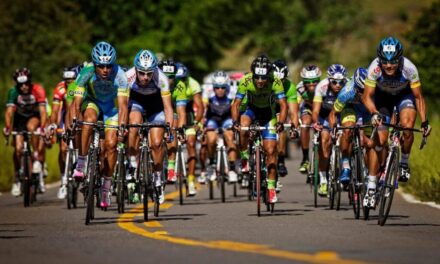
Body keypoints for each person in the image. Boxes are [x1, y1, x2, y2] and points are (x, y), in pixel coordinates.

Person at [362, 36, 431, 206]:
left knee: (407, 128)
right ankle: (371, 187)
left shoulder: (409, 68)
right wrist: (374, 113)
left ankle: (404, 163)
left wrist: (424, 122)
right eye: (385, 61)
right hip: (382, 99)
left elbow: (419, 97)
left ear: (400, 59)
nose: (389, 65)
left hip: (403, 97)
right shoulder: (374, 68)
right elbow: (367, 96)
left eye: (393, 61)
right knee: (380, 142)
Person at [71, 41, 129, 209]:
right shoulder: (86, 72)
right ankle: (81, 163)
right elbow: (76, 103)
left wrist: (122, 127)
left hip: (110, 109)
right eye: (101, 66)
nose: (105, 70)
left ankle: (106, 188)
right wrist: (75, 120)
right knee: (88, 119)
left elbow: (123, 106)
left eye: (108, 66)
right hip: (93, 103)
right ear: (94, 64)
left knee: (111, 146)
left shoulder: (120, 75)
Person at [231, 55, 288, 203]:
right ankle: (244, 157)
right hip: (251, 110)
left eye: (263, 77)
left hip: (268, 114)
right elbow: (236, 104)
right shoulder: (246, 80)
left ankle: (270, 189)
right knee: (243, 128)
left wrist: (281, 122)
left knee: (270, 151)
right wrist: (235, 122)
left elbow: (283, 105)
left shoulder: (275, 81)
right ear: (253, 74)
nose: (260, 81)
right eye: (257, 77)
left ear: (268, 75)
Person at [125, 50, 174, 204]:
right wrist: (122, 126)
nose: (145, 77)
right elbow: (122, 105)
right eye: (142, 73)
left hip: (156, 107)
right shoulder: (127, 77)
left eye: (149, 73)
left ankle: (158, 180)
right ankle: (132, 164)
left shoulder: (162, 78)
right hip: (136, 103)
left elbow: (168, 108)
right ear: (136, 70)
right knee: (133, 124)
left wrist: (169, 129)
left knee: (157, 143)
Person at [3, 68, 48, 196]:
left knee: (31, 128)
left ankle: (35, 157)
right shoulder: (13, 92)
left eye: (26, 83)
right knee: (17, 149)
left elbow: (43, 111)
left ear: (30, 82)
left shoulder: (37, 89)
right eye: (21, 84)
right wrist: (7, 126)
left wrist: (43, 126)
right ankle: (17, 178)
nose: (24, 87)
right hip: (19, 120)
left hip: (34, 117)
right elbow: (9, 112)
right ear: (17, 84)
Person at [328, 68, 372, 185]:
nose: (363, 93)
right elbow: (333, 114)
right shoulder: (346, 92)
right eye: (360, 90)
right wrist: (334, 129)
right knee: (347, 130)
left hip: (367, 110)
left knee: (369, 143)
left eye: (365, 90)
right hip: (350, 108)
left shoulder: (374, 90)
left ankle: (370, 172)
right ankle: (346, 166)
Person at [312, 64, 347, 196]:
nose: (338, 85)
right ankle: (323, 180)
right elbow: (315, 110)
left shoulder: (348, 87)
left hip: (341, 115)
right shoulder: (322, 87)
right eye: (334, 82)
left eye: (341, 82)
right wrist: (316, 122)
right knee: (325, 141)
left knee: (346, 139)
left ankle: (347, 167)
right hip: (325, 116)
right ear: (329, 80)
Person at [157, 59, 190, 190]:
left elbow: (181, 111)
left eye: (171, 77)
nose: (168, 80)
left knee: (174, 123)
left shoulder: (180, 86)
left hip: (170, 112)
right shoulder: (153, 83)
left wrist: (181, 129)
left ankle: (171, 167)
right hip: (154, 109)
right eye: (165, 76)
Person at [47, 66, 79, 199]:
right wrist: (54, 125)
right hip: (64, 116)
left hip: (78, 114)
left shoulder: (79, 85)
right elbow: (55, 110)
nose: (69, 82)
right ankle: (63, 180)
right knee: (63, 148)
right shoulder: (60, 88)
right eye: (67, 80)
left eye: (71, 79)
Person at [202, 71, 238, 183]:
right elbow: (203, 109)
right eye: (217, 87)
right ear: (213, 86)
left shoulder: (232, 92)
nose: (220, 90)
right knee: (211, 139)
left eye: (223, 87)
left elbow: (237, 109)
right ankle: (212, 163)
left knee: (229, 136)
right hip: (213, 118)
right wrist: (202, 124)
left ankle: (232, 169)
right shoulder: (207, 92)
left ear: (227, 86)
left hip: (227, 118)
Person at [175, 62, 204, 196]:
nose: (181, 82)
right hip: (172, 111)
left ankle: (191, 180)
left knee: (191, 143)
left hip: (187, 113)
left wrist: (197, 123)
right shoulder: (169, 83)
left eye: (183, 79)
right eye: (178, 79)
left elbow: (200, 106)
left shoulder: (193, 83)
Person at [272, 59, 299, 179]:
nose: (278, 83)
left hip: (280, 110)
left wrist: (294, 128)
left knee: (280, 125)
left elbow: (293, 112)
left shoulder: (290, 87)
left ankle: (281, 160)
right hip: (267, 108)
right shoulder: (266, 83)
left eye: (281, 80)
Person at [296, 65, 322, 176]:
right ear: (303, 81)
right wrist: (296, 120)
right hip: (308, 108)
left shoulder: (323, 86)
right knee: (305, 124)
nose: (311, 84)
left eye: (314, 81)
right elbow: (295, 105)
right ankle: (305, 158)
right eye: (308, 81)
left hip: (322, 108)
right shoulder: (299, 88)